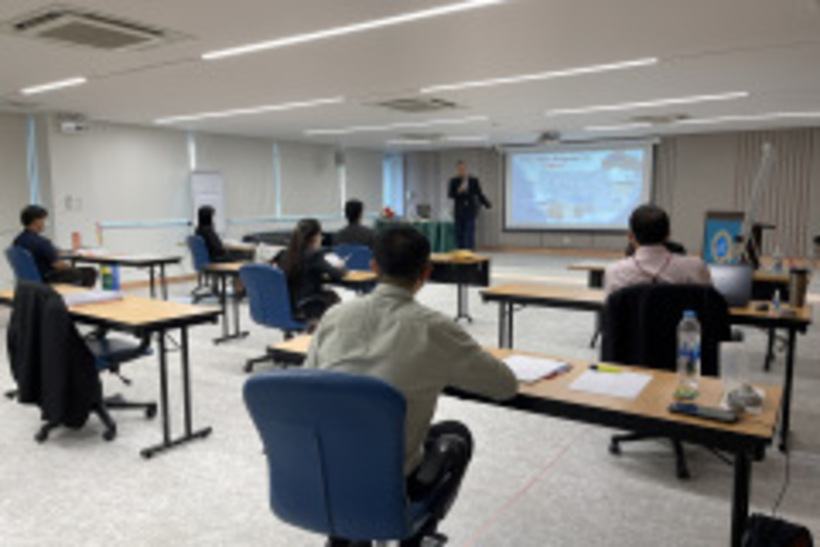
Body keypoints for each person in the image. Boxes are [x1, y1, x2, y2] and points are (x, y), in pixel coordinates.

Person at [306, 225, 517, 547]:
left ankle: (348, 536)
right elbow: (505, 386)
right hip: (392, 480)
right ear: (426, 272)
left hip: (327, 473)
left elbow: (306, 385)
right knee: (455, 435)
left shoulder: (334, 316)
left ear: (374, 266)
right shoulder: (435, 329)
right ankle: (414, 536)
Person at [605, 204, 711, 295]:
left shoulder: (615, 272)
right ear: (668, 234)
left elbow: (611, 310)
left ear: (631, 237)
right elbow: (708, 305)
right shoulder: (695, 268)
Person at [274, 218, 347, 325]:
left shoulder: (285, 254)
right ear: (314, 237)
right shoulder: (314, 255)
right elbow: (338, 274)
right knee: (339, 299)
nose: (321, 238)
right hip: (309, 306)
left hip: (290, 307)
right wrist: (340, 265)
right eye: (320, 235)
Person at [12, 205, 97, 287]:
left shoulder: (17, 241)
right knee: (89, 272)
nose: (44, 223)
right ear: (37, 221)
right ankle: (80, 296)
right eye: (43, 220)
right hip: (48, 278)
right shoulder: (42, 242)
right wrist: (70, 267)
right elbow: (57, 264)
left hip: (29, 281)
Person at [448, 161, 491, 250]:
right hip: (459, 211)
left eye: (463, 168)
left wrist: (487, 203)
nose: (462, 170)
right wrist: (458, 191)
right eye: (460, 169)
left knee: (470, 232)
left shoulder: (473, 180)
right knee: (459, 233)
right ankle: (460, 251)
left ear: (465, 168)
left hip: (470, 210)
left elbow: (479, 193)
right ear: (457, 169)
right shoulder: (453, 181)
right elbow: (450, 195)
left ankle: (471, 251)